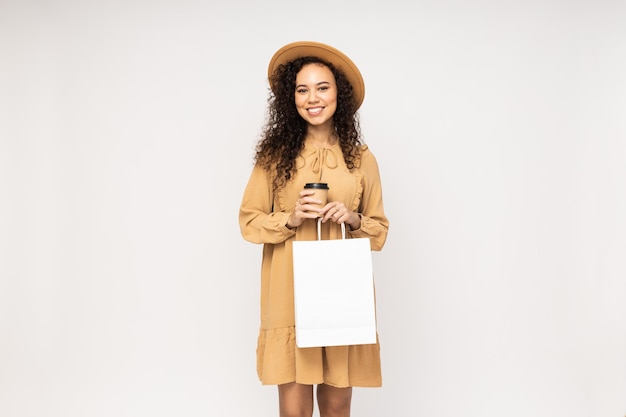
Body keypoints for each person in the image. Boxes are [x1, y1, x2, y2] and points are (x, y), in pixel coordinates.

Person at [239, 41, 389, 417]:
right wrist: (290, 218)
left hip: (340, 289)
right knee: (294, 412)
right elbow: (249, 221)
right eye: (302, 90)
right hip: (287, 291)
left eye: (322, 87)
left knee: (337, 409)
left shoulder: (360, 159)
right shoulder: (274, 157)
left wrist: (351, 218)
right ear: (292, 99)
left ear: (339, 92)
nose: (313, 98)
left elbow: (379, 229)